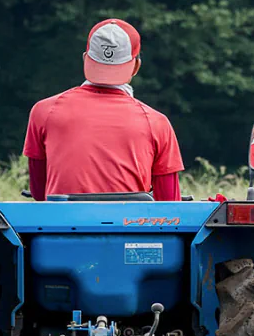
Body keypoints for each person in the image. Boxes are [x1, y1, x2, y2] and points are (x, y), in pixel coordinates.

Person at [23, 19, 184, 201]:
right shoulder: (157, 122)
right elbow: (170, 205)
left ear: (85, 58)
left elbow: (38, 192)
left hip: (60, 227)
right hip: (130, 228)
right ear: (136, 66)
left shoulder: (44, 111)